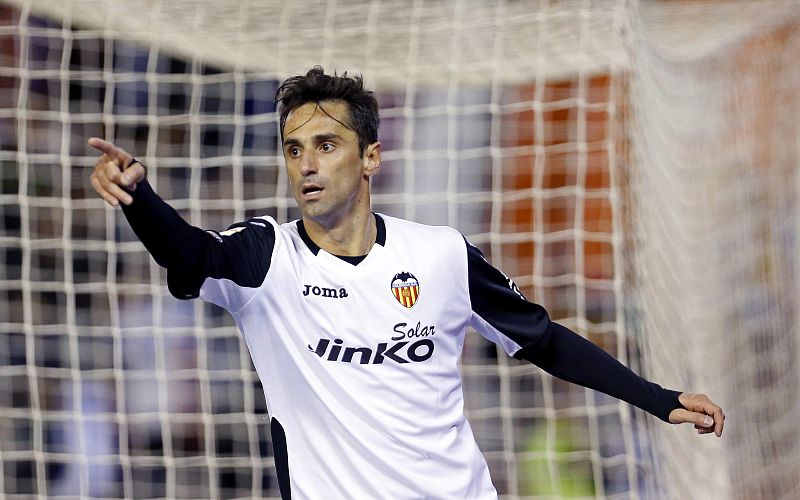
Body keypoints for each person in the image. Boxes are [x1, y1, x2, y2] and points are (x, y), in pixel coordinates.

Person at [89, 66, 725, 499]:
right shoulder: (265, 258)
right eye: (293, 148)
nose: (306, 164)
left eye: (326, 144)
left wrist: (658, 399)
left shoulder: (441, 254)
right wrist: (141, 199)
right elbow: (190, 254)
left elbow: (545, 342)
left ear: (370, 157)